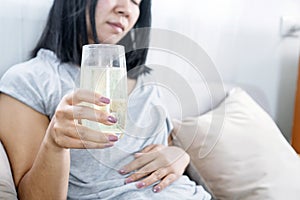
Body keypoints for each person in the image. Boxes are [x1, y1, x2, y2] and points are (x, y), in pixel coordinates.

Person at [0, 0, 211, 199]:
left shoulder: (146, 83)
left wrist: (179, 156)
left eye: (136, 2)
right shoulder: (30, 80)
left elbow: (163, 150)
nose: (126, 9)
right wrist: (54, 144)